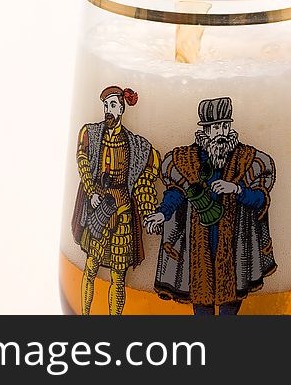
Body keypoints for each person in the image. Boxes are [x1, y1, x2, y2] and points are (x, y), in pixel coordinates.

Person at [144, 97, 277, 315]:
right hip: (198, 245)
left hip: (235, 245)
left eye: (226, 126)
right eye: (216, 127)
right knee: (201, 297)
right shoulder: (185, 159)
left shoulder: (248, 159)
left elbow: (260, 199)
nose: (222, 132)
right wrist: (162, 214)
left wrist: (236, 189)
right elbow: (177, 192)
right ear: (205, 130)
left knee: (231, 299)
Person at [70, 86, 160, 315]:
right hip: (98, 206)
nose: (107, 110)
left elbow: (150, 169)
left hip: (122, 211)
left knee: (118, 276)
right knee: (90, 266)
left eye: (112, 105)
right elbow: (82, 161)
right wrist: (92, 193)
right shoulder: (92, 133)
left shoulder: (135, 144)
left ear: (122, 108)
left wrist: (147, 203)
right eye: (105, 105)